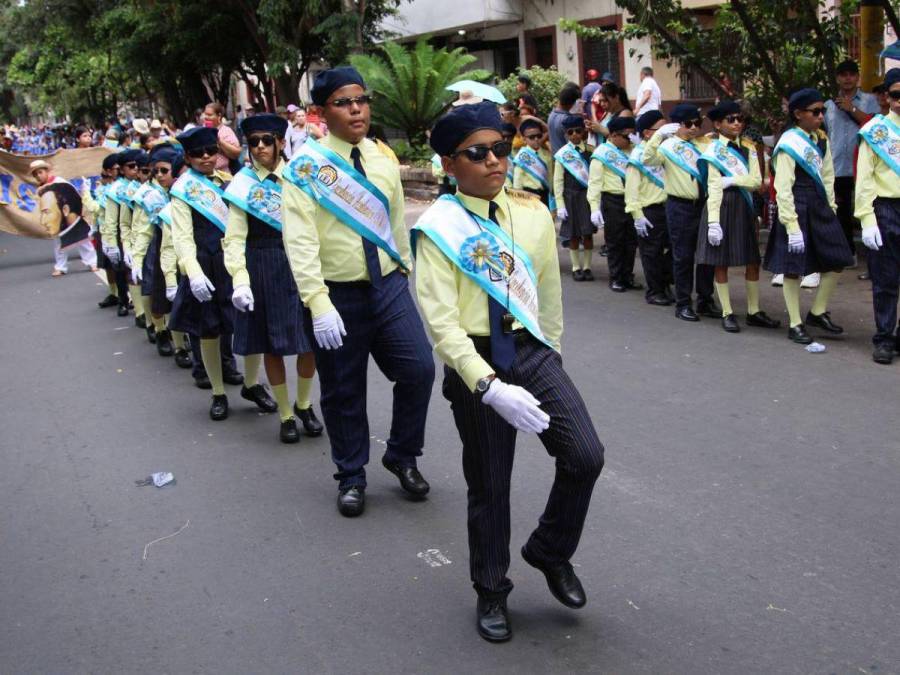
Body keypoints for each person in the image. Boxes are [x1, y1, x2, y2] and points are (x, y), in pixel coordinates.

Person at [413, 101, 604, 643]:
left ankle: (549, 549)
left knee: (585, 455)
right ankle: (491, 589)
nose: (495, 161)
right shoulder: (439, 229)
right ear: (450, 164)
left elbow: (548, 294)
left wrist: (554, 354)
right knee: (490, 484)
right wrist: (488, 387)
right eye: (479, 153)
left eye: (502, 147)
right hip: (476, 359)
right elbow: (443, 326)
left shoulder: (533, 212)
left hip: (530, 350)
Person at [281, 66, 435, 517]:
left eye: (361, 101)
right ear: (322, 112)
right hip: (336, 294)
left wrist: (405, 269)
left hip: (387, 285)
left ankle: (402, 454)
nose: (356, 110)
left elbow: (394, 222)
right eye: (344, 103)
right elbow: (301, 241)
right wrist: (317, 301)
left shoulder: (383, 160)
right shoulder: (304, 169)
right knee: (344, 390)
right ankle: (351, 475)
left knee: (419, 369)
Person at [223, 112, 324, 442]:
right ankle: (285, 414)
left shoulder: (300, 177)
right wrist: (240, 277)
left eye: (268, 140)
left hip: (301, 262)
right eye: (254, 142)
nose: (261, 147)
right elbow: (234, 237)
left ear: (282, 142)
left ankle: (305, 403)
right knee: (271, 345)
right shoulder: (242, 185)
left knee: (310, 341)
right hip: (262, 264)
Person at [168, 126, 259, 420]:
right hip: (205, 264)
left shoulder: (230, 182)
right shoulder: (183, 190)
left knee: (249, 323)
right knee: (208, 330)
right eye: (198, 154)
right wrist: (192, 272)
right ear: (188, 156)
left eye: (211, 151)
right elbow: (181, 237)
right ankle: (218, 392)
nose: (206, 158)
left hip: (235, 261)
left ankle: (252, 383)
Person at [763, 88, 854, 344]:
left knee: (838, 258)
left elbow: (828, 176)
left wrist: (832, 207)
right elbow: (782, 186)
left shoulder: (821, 138)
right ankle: (795, 323)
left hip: (819, 204)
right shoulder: (789, 143)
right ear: (798, 114)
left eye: (822, 111)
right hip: (797, 204)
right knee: (793, 268)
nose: (821, 116)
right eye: (815, 112)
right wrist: (791, 225)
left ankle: (817, 311)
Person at [695, 100, 780, 333]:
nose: (736, 123)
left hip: (743, 204)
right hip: (721, 207)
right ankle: (727, 312)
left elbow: (755, 181)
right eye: (730, 120)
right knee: (720, 261)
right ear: (718, 124)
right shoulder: (712, 150)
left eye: (739, 119)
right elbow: (713, 187)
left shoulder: (750, 148)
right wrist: (713, 222)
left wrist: (731, 180)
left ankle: (754, 311)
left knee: (752, 260)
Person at [643, 103, 718, 321]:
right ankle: (684, 302)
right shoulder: (669, 147)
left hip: (704, 205)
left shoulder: (704, 144)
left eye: (697, 123)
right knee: (683, 256)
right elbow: (648, 159)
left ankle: (705, 299)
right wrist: (659, 136)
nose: (694, 128)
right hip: (680, 206)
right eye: (688, 124)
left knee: (706, 256)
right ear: (677, 125)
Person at [855, 68, 900, 364]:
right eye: (897, 94)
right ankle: (884, 337)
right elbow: (865, 179)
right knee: (885, 279)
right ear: (886, 97)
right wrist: (867, 219)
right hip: (887, 208)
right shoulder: (876, 131)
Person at [824, 60, 880, 263]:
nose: (847, 78)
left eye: (851, 74)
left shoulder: (870, 100)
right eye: (843, 74)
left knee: (871, 208)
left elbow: (875, 126)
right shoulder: (828, 106)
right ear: (838, 78)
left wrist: (851, 109)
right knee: (841, 213)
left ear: (857, 77)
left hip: (865, 166)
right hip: (838, 166)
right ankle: (848, 254)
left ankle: (875, 255)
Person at [130, 144, 179, 356]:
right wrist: (136, 257)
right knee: (157, 294)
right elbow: (142, 228)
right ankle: (160, 330)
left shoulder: (182, 190)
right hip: (157, 247)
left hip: (183, 247)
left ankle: (180, 343)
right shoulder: (148, 195)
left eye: (164, 171)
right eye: (155, 171)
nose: (159, 176)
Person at [626, 110, 674, 305]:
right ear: (647, 133)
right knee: (651, 253)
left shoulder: (664, 152)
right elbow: (631, 189)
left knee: (672, 250)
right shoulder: (638, 156)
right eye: (661, 129)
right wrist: (637, 214)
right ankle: (654, 291)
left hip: (669, 206)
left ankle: (665, 283)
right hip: (649, 210)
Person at [588, 116, 641, 292]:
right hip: (613, 201)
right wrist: (594, 208)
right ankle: (616, 277)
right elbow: (594, 183)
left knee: (631, 241)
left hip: (633, 200)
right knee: (615, 241)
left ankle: (628, 275)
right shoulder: (602, 153)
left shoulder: (634, 150)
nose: (629, 140)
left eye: (632, 136)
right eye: (626, 136)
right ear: (613, 135)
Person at [31, 159, 98, 277]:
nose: (38, 176)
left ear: (47, 171)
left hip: (71, 217)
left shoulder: (59, 181)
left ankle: (92, 262)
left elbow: (73, 195)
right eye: (35, 174)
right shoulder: (41, 189)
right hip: (58, 221)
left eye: (40, 172)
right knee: (59, 244)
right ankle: (61, 267)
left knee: (83, 239)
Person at [554, 115, 596, 281]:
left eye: (578, 131)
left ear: (583, 131)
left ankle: (587, 267)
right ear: (566, 134)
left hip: (587, 197)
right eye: (570, 132)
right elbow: (557, 182)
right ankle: (575, 266)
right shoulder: (563, 155)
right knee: (573, 235)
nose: (574, 135)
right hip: (570, 197)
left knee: (588, 233)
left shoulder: (591, 151)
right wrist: (560, 205)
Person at [101, 150, 141, 317]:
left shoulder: (142, 185)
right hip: (120, 233)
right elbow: (110, 219)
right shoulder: (115, 190)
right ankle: (123, 300)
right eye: (131, 166)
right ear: (122, 169)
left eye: (137, 166)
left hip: (139, 232)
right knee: (120, 269)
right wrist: (110, 242)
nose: (135, 169)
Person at [85, 153, 122, 308]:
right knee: (107, 265)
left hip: (121, 228)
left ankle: (126, 297)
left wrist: (85, 195)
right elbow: (96, 208)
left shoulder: (122, 187)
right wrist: (86, 195)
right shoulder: (103, 190)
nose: (118, 171)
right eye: (115, 169)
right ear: (107, 171)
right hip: (104, 229)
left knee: (123, 267)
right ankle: (114, 293)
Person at [512, 118, 554, 208]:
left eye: (539, 136)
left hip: (545, 194)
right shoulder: (522, 157)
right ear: (524, 139)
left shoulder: (547, 155)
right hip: (529, 194)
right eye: (531, 137)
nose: (536, 139)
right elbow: (517, 181)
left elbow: (550, 176)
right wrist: (518, 201)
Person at [203, 102, 242, 173]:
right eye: (205, 114)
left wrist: (219, 140)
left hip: (224, 175)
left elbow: (236, 153)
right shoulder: (202, 130)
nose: (206, 117)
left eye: (210, 115)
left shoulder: (225, 131)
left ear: (219, 116)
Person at [548, 82, 581, 154]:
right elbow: (574, 144)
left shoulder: (552, 115)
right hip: (567, 160)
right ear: (572, 103)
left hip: (556, 157)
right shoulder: (566, 120)